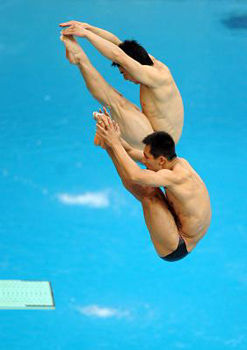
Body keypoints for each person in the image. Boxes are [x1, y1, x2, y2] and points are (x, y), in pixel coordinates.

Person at [95, 111, 211, 262]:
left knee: (149, 193)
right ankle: (106, 143)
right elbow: (129, 151)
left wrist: (113, 144)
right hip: (181, 222)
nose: (144, 160)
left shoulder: (177, 176)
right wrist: (112, 133)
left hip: (178, 244)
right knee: (147, 180)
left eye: (147, 157)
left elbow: (134, 175)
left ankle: (107, 145)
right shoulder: (175, 162)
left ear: (161, 160)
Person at [59, 21, 184, 149]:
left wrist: (86, 34)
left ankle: (80, 59)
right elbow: (117, 45)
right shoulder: (147, 61)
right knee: (121, 103)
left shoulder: (156, 77)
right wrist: (89, 28)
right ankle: (110, 138)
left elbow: (119, 56)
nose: (125, 78)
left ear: (131, 67)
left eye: (124, 72)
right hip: (156, 136)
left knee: (116, 102)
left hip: (159, 147)